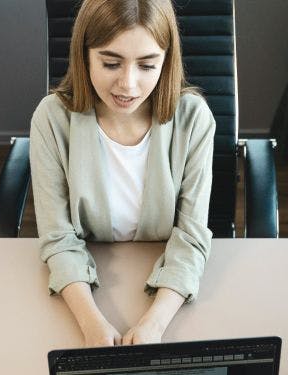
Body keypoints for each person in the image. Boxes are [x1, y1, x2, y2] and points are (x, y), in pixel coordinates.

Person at [29, 0, 215, 347]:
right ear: (84, 55)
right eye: (111, 63)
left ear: (166, 61)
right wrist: (91, 324)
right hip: (86, 283)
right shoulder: (52, 119)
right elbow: (58, 237)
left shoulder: (194, 119)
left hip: (161, 283)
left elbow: (191, 237)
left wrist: (154, 325)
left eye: (147, 65)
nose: (128, 85)